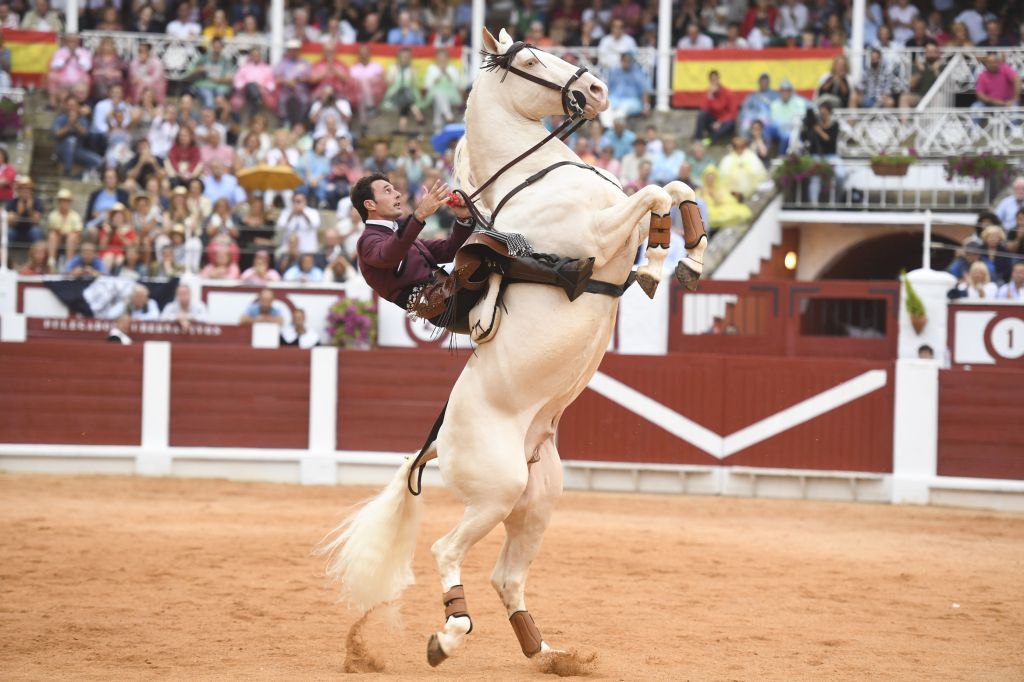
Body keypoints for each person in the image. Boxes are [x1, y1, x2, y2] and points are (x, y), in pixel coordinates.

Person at [52, 96, 103, 178]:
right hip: (62, 149)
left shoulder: (82, 119)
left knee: (99, 162)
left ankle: (76, 177)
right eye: (69, 105)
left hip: (78, 150)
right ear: (66, 106)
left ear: (78, 107)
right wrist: (69, 125)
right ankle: (67, 170)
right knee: (71, 141)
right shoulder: (60, 118)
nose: (71, 108)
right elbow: (56, 133)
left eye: (74, 105)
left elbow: (85, 134)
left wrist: (75, 124)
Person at [383, 47, 425, 132]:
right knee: (404, 93)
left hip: (410, 94)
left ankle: (402, 127)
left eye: (407, 57)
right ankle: (418, 115)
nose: (405, 59)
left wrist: (413, 73)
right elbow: (388, 82)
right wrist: (395, 72)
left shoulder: (412, 68)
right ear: (399, 57)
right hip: (395, 94)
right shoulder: (393, 67)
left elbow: (415, 85)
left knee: (405, 95)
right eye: (403, 56)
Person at [697, 165, 751, 229]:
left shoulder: (719, 189)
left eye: (712, 177)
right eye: (708, 177)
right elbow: (699, 204)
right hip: (709, 212)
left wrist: (713, 195)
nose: (710, 179)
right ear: (705, 178)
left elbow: (723, 201)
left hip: (719, 208)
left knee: (735, 212)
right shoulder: (700, 191)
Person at [47, 33, 91, 108]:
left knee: (85, 81)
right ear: (66, 42)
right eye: (70, 41)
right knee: (51, 76)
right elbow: (54, 65)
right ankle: (53, 104)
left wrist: (78, 58)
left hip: (79, 80)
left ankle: (81, 105)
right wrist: (66, 59)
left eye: (74, 41)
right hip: (62, 80)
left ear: (78, 42)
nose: (72, 43)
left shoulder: (83, 52)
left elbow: (87, 67)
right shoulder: (60, 52)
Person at [604, 52, 649, 126]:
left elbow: (644, 91)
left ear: (631, 62)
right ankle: (609, 127)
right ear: (621, 61)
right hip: (615, 99)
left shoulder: (638, 73)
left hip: (632, 101)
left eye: (628, 61)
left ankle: (611, 128)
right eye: (624, 61)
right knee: (606, 106)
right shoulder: (615, 72)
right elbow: (608, 89)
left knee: (623, 108)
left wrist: (646, 106)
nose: (626, 63)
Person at [694, 71, 737, 145]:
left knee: (731, 122)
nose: (714, 82)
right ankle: (698, 140)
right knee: (701, 115)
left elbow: (733, 113)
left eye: (715, 79)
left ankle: (710, 140)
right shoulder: (707, 93)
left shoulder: (728, 93)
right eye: (712, 80)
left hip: (725, 123)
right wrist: (709, 96)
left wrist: (720, 122)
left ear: (718, 80)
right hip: (713, 123)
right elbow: (703, 109)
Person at [423, 48, 462, 128]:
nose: (442, 59)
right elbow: (427, 85)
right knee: (438, 95)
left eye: (444, 57)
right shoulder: (432, 68)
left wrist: (447, 74)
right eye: (439, 57)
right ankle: (448, 116)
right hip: (434, 93)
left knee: (439, 100)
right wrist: (438, 76)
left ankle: (438, 125)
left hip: (451, 94)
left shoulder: (451, 68)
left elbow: (457, 84)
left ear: (447, 58)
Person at [899, 41, 945, 109]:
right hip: (920, 96)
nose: (931, 53)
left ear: (938, 53)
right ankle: (905, 120)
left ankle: (935, 119)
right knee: (904, 98)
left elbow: (945, 86)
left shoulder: (943, 66)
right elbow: (911, 85)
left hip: (936, 96)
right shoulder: (919, 65)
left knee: (939, 97)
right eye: (929, 51)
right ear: (925, 53)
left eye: (933, 51)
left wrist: (936, 70)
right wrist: (920, 72)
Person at [766, 79, 807, 155]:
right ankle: (767, 152)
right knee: (767, 128)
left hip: (795, 129)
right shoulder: (774, 104)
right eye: (783, 91)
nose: (785, 93)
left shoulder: (799, 102)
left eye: (787, 90)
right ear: (780, 92)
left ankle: (782, 156)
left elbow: (800, 118)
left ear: (791, 91)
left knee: (787, 136)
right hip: (779, 129)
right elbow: (774, 121)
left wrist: (787, 125)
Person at [46, 188, 83, 267]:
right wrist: (61, 233)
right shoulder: (53, 214)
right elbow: (51, 230)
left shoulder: (75, 215)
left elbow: (78, 232)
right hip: (57, 239)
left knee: (72, 237)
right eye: (61, 201)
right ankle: (51, 261)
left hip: (71, 240)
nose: (63, 203)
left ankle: (69, 262)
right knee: (52, 235)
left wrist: (66, 233)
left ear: (69, 202)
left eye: (66, 201)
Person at [7, 176, 44, 245]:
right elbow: (11, 222)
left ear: (31, 190)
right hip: (16, 231)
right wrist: (19, 213)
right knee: (9, 232)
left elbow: (36, 221)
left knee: (36, 231)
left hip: (30, 231)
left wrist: (30, 210)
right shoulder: (12, 202)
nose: (25, 191)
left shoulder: (37, 201)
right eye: (22, 189)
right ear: (18, 190)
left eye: (27, 189)